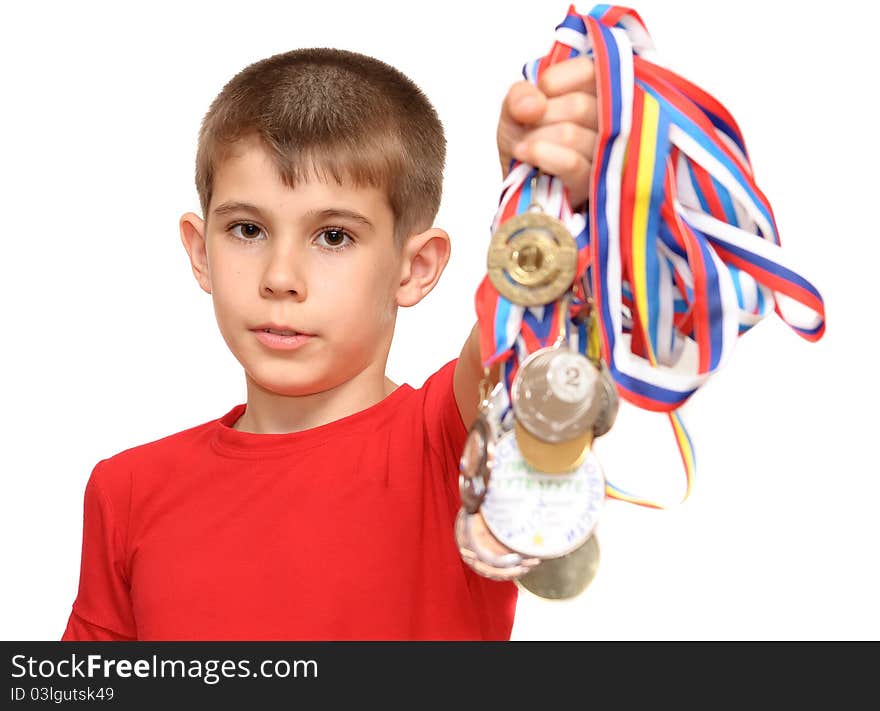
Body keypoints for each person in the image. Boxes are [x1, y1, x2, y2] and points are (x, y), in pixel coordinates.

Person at [60, 48, 599, 641]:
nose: (281, 275)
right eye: (247, 229)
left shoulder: (449, 439)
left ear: (415, 268)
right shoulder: (127, 490)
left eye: (334, 236)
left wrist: (550, 201)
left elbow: (530, 332)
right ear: (199, 249)